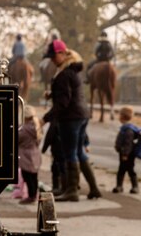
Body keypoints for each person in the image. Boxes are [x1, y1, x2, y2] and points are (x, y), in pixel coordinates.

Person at [43, 39, 102, 201]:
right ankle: (94, 189)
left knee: (70, 153)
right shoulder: (74, 71)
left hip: (70, 118)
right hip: (82, 115)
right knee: (79, 152)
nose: (52, 60)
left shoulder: (63, 74)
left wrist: (45, 119)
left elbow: (63, 103)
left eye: (54, 56)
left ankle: (72, 191)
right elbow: (68, 95)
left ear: (62, 53)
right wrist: (52, 94)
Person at [18, 105, 42, 204]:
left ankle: (31, 197)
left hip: (25, 156)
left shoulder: (23, 129)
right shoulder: (37, 126)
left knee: (27, 176)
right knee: (34, 177)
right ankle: (34, 195)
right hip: (35, 154)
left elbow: (17, 139)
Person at [113, 106, 140, 194]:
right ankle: (119, 186)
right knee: (122, 169)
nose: (118, 117)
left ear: (122, 117)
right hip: (124, 152)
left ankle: (134, 187)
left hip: (127, 154)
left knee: (130, 169)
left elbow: (128, 143)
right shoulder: (126, 128)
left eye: (119, 115)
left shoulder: (128, 130)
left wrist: (125, 154)